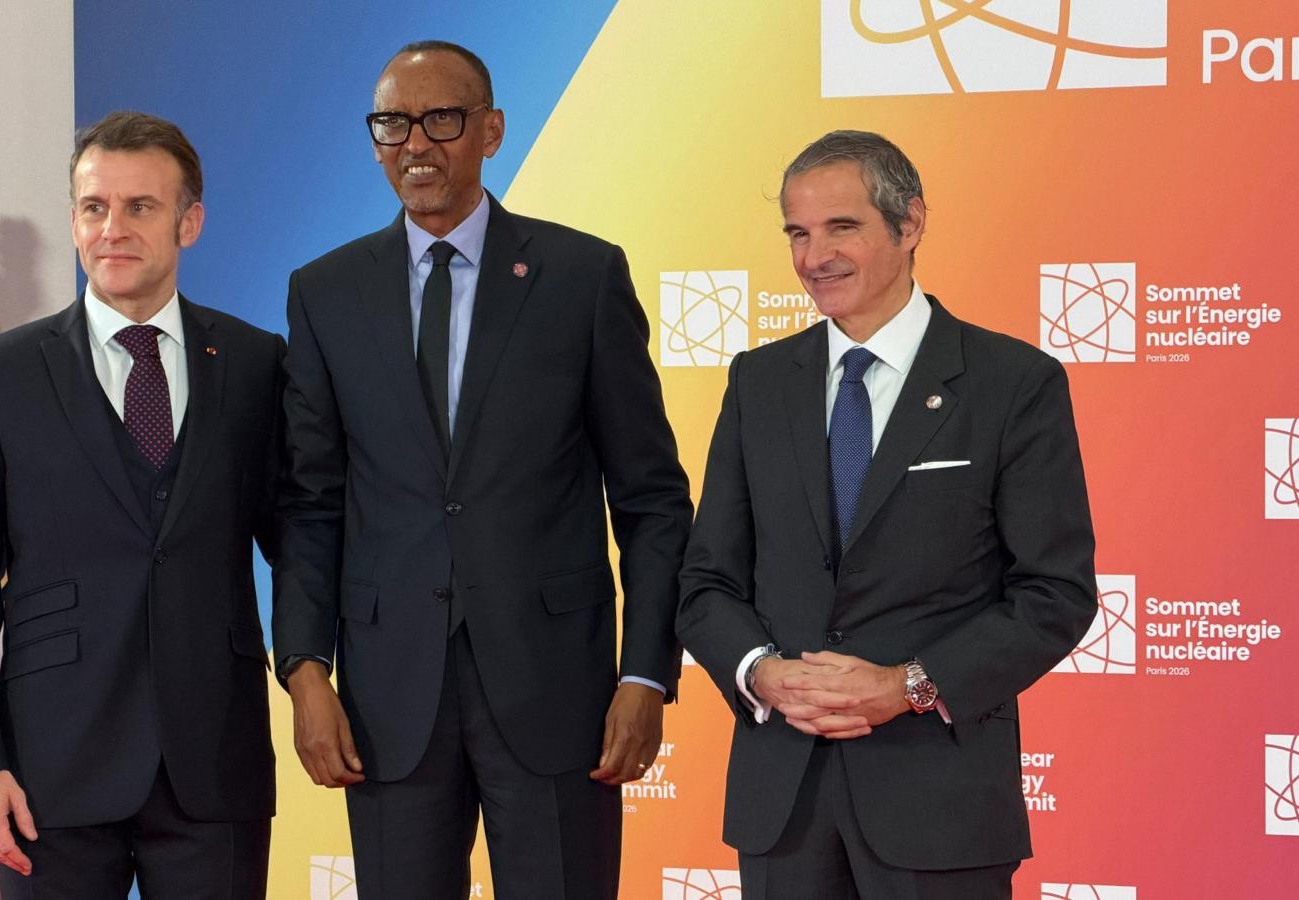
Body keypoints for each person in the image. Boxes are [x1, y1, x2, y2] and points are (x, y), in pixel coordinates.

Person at [274, 40, 692, 900]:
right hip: (388, 703)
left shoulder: (582, 276)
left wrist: (646, 672)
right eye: (393, 124)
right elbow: (312, 503)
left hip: (559, 693)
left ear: (492, 131)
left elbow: (651, 498)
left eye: (442, 120)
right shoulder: (325, 291)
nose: (415, 145)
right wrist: (305, 669)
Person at [676, 130, 1099, 899]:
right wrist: (762, 673)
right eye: (797, 234)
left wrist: (911, 685)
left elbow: (1054, 594)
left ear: (910, 223)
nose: (814, 258)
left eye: (842, 228)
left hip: (940, 804)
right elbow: (707, 583)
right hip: (784, 805)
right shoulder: (758, 383)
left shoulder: (1013, 383)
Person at [0, 111, 283, 899]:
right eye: (94, 207)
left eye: (140, 206)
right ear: (74, 221)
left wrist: (316, 677)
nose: (112, 228)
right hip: (46, 773)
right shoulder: (3, 372)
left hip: (215, 766)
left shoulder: (256, 363)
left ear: (190, 222)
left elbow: (300, 544)